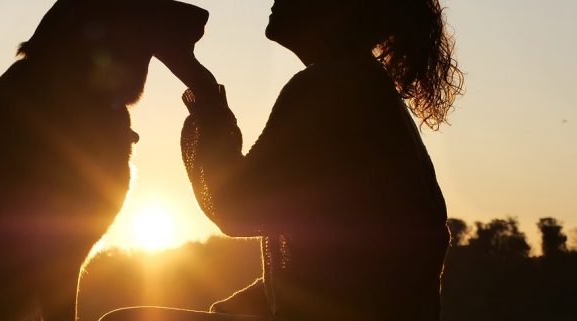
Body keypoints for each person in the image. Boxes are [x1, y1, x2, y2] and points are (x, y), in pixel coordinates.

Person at [103, 0, 464, 320]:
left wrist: (201, 88)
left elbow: (234, 207)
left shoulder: (330, 86)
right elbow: (341, 264)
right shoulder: (365, 87)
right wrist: (239, 307)